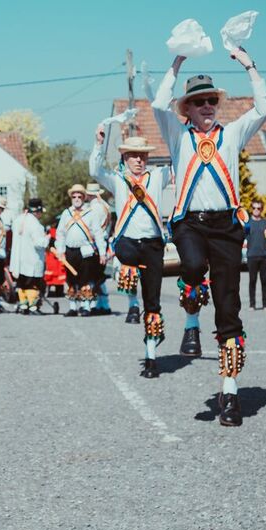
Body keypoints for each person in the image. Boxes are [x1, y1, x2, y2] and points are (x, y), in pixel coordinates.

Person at [151, 46, 266, 427]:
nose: (206, 106)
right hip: (189, 224)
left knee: (228, 307)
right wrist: (177, 63)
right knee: (189, 265)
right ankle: (190, 318)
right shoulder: (176, 134)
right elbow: (157, 104)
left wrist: (250, 65)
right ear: (185, 108)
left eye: (210, 100)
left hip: (226, 228)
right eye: (198, 101)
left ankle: (230, 392)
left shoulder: (233, 133)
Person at [90, 129, 170, 377]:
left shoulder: (157, 177)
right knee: (125, 257)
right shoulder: (117, 180)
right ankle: (132, 304)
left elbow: (182, 160)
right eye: (133, 156)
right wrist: (99, 144)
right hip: (127, 242)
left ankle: (151, 356)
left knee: (153, 302)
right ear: (124, 158)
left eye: (142, 156)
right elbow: (95, 170)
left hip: (153, 244)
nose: (138, 160)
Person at [54, 184, 108, 318]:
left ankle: (86, 307)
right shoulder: (66, 213)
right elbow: (60, 233)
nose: (77, 198)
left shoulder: (91, 213)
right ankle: (73, 307)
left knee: (86, 279)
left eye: (79, 196)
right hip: (70, 251)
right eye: (74, 196)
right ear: (71, 198)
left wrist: (102, 253)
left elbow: (98, 234)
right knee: (71, 280)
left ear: (84, 198)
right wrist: (60, 250)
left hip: (86, 251)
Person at [8, 197, 50, 314]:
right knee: (32, 283)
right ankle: (33, 306)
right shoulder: (36, 224)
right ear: (38, 211)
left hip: (19, 259)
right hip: (32, 259)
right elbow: (39, 243)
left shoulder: (18, 220)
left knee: (21, 283)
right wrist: (47, 239)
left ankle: (23, 305)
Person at [84, 183, 115, 314]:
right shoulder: (105, 206)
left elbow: (94, 228)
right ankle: (104, 304)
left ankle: (93, 304)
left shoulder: (94, 208)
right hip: (104, 240)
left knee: (91, 276)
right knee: (99, 276)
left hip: (96, 243)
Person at [243, 199, 266, 311]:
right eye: (254, 208)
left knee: (264, 281)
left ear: (261, 209)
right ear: (251, 209)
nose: (256, 210)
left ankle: (265, 304)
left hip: (264, 255)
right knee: (252, 281)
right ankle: (252, 304)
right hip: (252, 256)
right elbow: (241, 237)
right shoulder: (247, 224)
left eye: (259, 208)